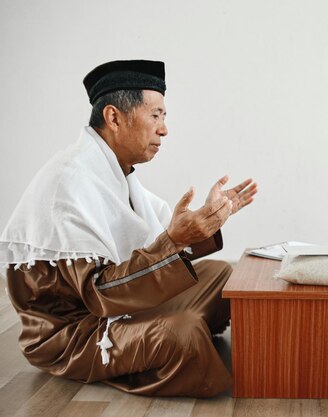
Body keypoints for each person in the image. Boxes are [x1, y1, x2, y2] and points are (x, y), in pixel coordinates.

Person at [0, 59, 257, 397]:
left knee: (220, 275)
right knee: (185, 333)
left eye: (164, 118)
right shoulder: (72, 183)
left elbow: (159, 240)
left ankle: (162, 335)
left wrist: (205, 220)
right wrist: (175, 239)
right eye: (155, 116)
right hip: (75, 332)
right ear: (114, 117)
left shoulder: (113, 171)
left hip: (116, 302)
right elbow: (100, 295)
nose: (164, 129)